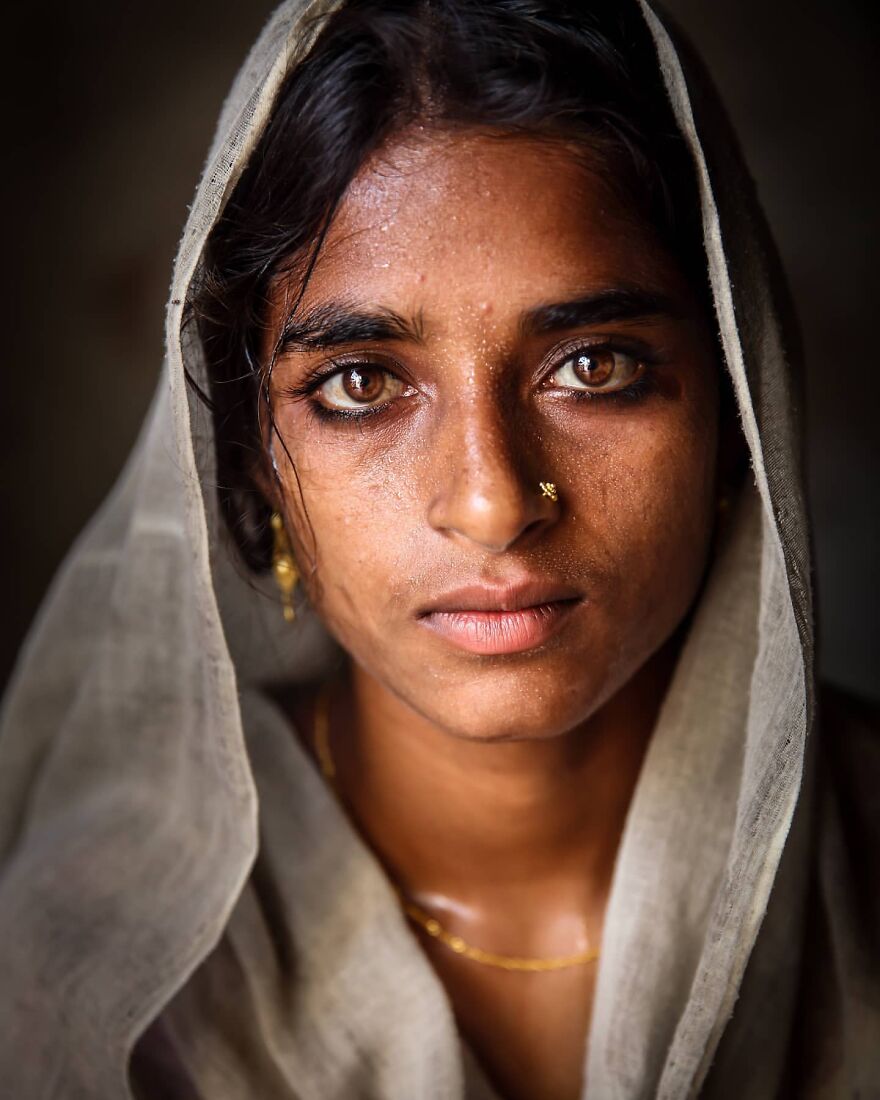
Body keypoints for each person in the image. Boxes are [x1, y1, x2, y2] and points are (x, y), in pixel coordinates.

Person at [0, 0, 876, 1097]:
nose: (492, 501)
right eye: (361, 384)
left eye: (594, 365)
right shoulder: (103, 966)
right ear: (250, 460)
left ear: (737, 411)